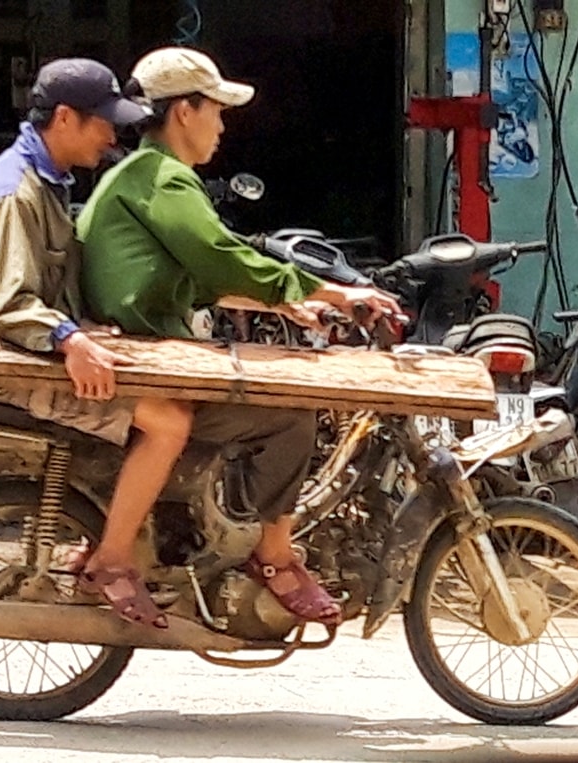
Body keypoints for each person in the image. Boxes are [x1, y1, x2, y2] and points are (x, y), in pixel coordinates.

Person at [76, 47, 401, 629]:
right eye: (216, 112)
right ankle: (273, 557)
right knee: (291, 415)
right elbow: (224, 259)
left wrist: (291, 302)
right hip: (141, 363)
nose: (222, 127)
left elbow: (195, 277)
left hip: (151, 350)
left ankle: (214, 536)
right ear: (184, 111)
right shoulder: (161, 180)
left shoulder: (142, 178)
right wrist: (333, 293)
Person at [0, 58, 200, 629]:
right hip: (10, 366)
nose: (111, 134)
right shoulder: (10, 193)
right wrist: (69, 338)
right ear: (66, 118)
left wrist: (79, 326)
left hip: (36, 354)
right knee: (169, 422)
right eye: (103, 122)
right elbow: (11, 307)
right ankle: (112, 559)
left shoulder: (50, 181)